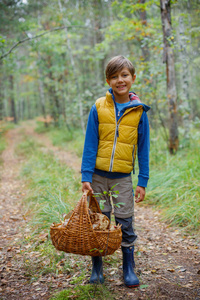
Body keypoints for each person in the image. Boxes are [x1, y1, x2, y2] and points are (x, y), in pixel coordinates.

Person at [81, 55, 150, 288]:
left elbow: (143, 149)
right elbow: (90, 143)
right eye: (114, 76)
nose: (120, 80)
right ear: (108, 80)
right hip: (98, 176)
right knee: (99, 222)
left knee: (125, 222)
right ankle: (97, 269)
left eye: (124, 75)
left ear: (133, 78)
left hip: (122, 178)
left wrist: (142, 180)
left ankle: (128, 268)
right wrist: (86, 176)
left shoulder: (139, 111)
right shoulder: (99, 107)